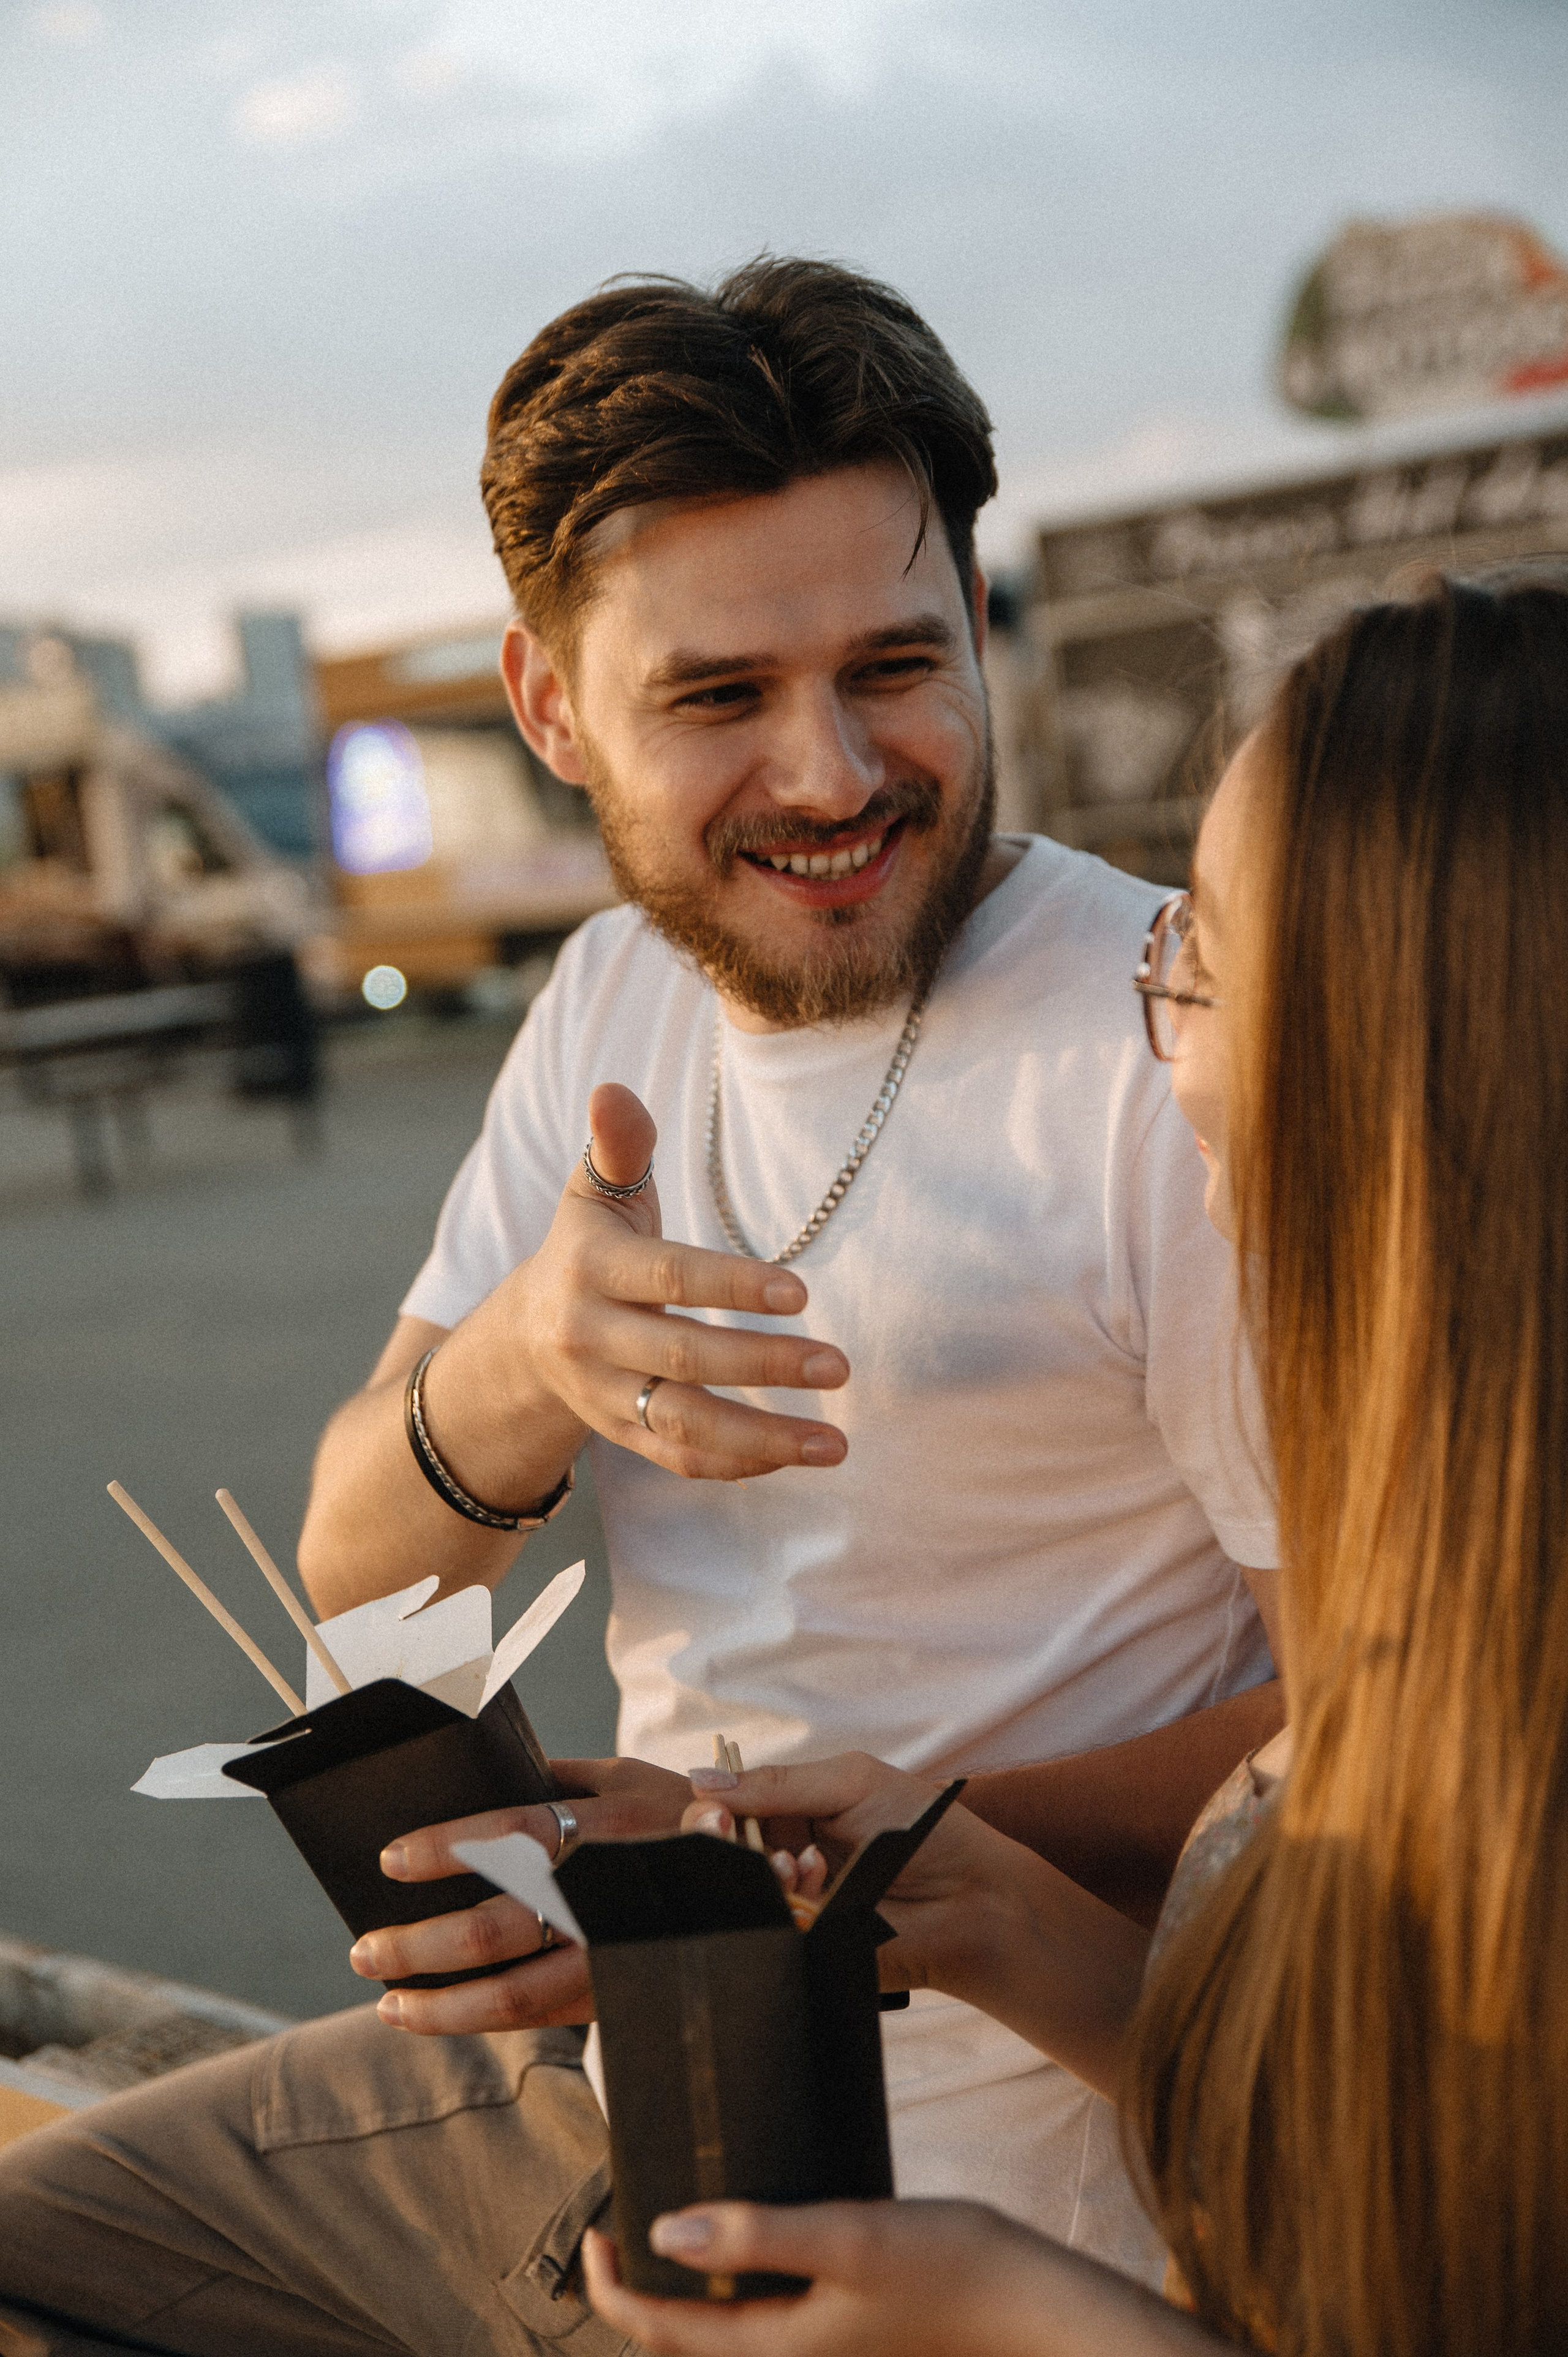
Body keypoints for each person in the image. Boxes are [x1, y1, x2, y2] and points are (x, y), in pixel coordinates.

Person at [0, 258, 1280, 2356]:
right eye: (717, 696)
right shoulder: (611, 999)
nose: (833, 771)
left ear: (981, 622)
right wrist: (510, 1376)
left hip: (1007, 2186)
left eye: (897, 662)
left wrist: (760, 1871)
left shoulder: (1180, 1048)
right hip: (573, 2101)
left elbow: (1389, 1725)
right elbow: (357, 1577)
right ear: (548, 709)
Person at [582, 567, 1568, 2357]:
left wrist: (1010, 2312)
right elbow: (1406, 2170)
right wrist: (998, 1915)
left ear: (1406, 1061)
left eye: (1198, 959)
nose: (1157, 1040)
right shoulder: (1465, 1585)